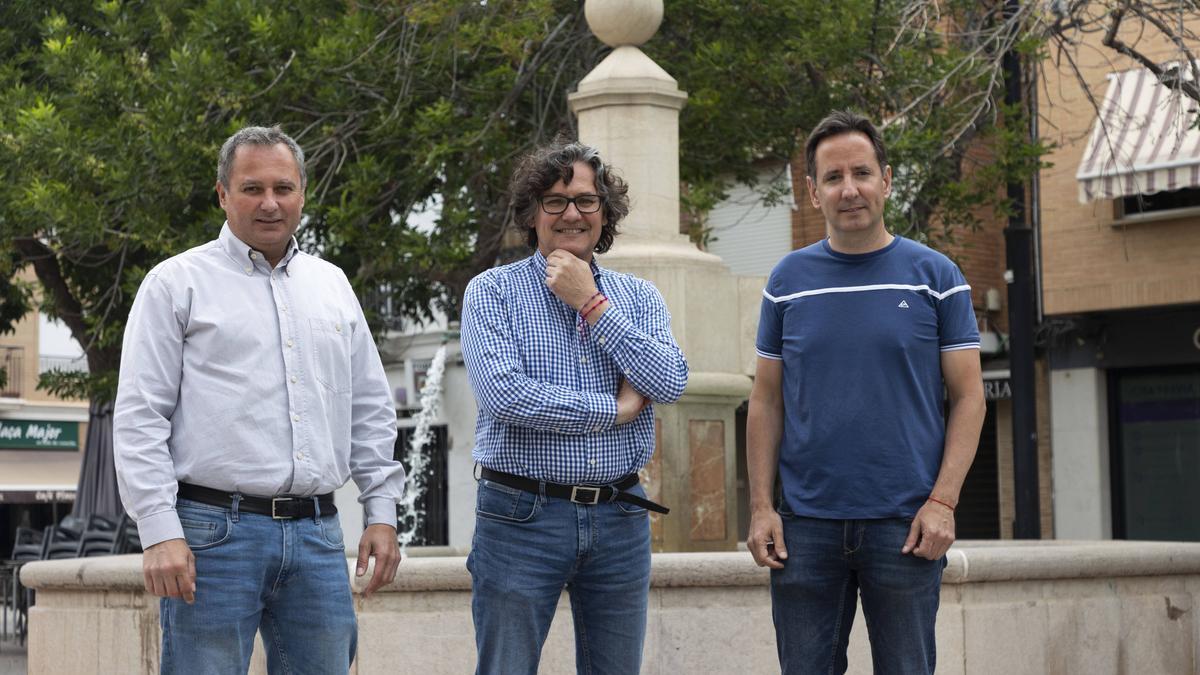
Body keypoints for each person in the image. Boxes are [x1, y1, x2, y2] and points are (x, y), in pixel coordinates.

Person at [113, 125, 405, 674]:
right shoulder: (176, 284)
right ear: (222, 194)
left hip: (318, 535)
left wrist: (382, 512)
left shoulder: (332, 284)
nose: (270, 203)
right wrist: (158, 531)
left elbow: (369, 407)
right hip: (212, 535)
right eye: (252, 188)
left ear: (302, 194)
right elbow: (139, 416)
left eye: (283, 188)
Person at [746, 110, 986, 674]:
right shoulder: (785, 283)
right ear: (812, 192)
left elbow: (970, 397)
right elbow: (766, 400)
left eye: (861, 172)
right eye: (833, 178)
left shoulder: (937, 275)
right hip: (805, 527)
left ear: (887, 179)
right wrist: (761, 508)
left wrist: (943, 502)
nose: (848, 189)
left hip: (905, 526)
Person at [459, 139, 689, 674]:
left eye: (585, 200)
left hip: (620, 516)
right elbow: (505, 396)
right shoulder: (491, 292)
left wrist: (592, 304)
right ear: (532, 213)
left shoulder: (639, 298)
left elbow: (671, 381)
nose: (571, 214)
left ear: (604, 212)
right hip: (520, 515)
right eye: (555, 200)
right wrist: (615, 410)